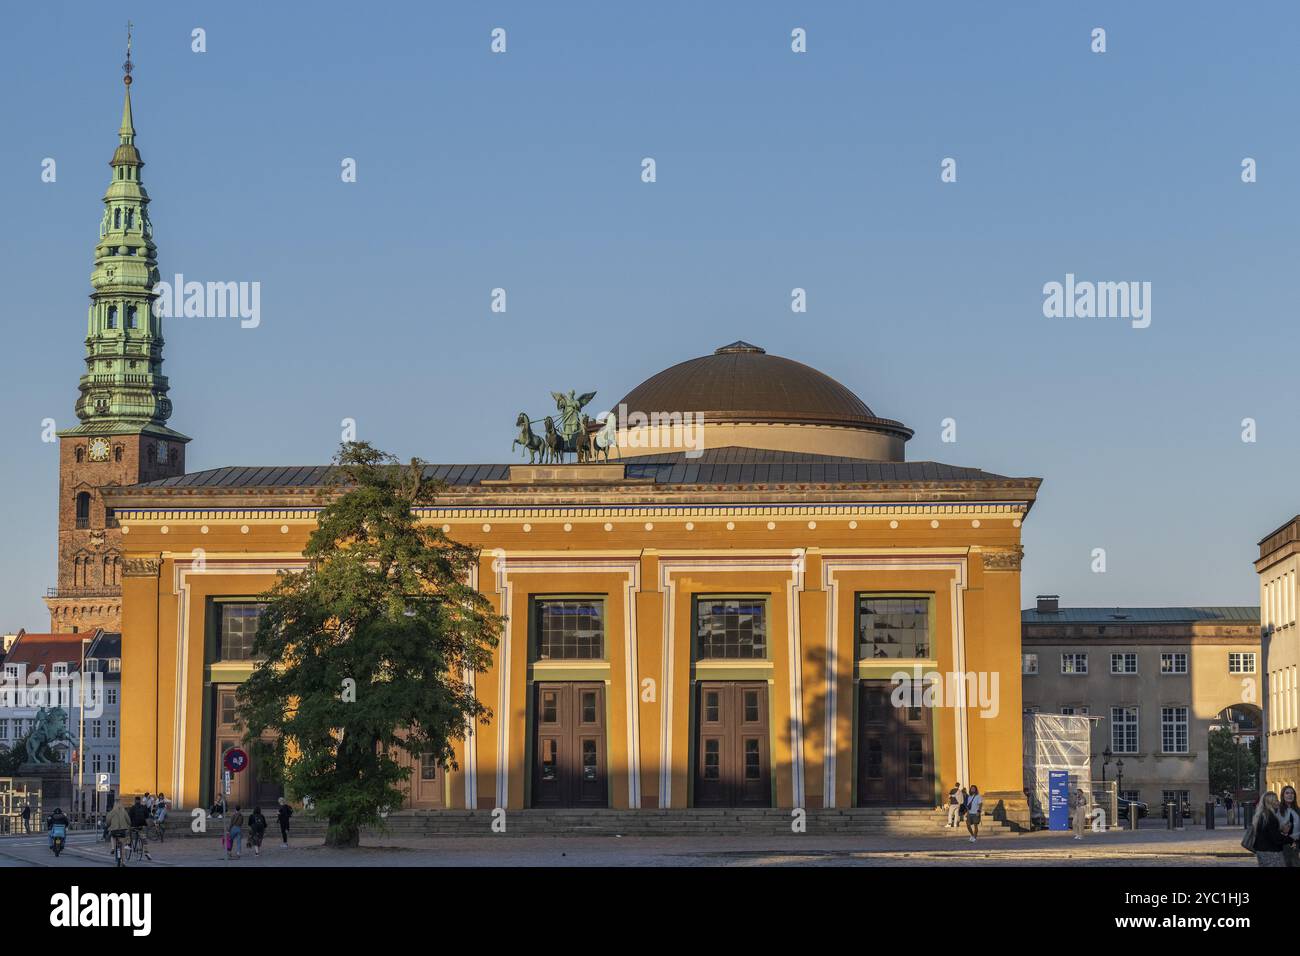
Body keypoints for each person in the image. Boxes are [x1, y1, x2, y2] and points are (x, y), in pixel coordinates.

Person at [127, 795, 152, 861]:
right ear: (140, 801)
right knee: (144, 839)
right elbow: (147, 816)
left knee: (128, 833)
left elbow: (129, 817)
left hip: (134, 826)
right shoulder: (143, 807)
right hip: (141, 826)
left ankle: (129, 845)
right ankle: (147, 852)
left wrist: (129, 824)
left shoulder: (132, 808)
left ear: (135, 801)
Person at [1280, 785, 1300, 867]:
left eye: (1292, 793)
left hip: (1296, 844)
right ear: (1283, 795)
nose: (1290, 795)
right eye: (1287, 793)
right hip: (1282, 845)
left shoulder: (1298, 810)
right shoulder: (1278, 810)